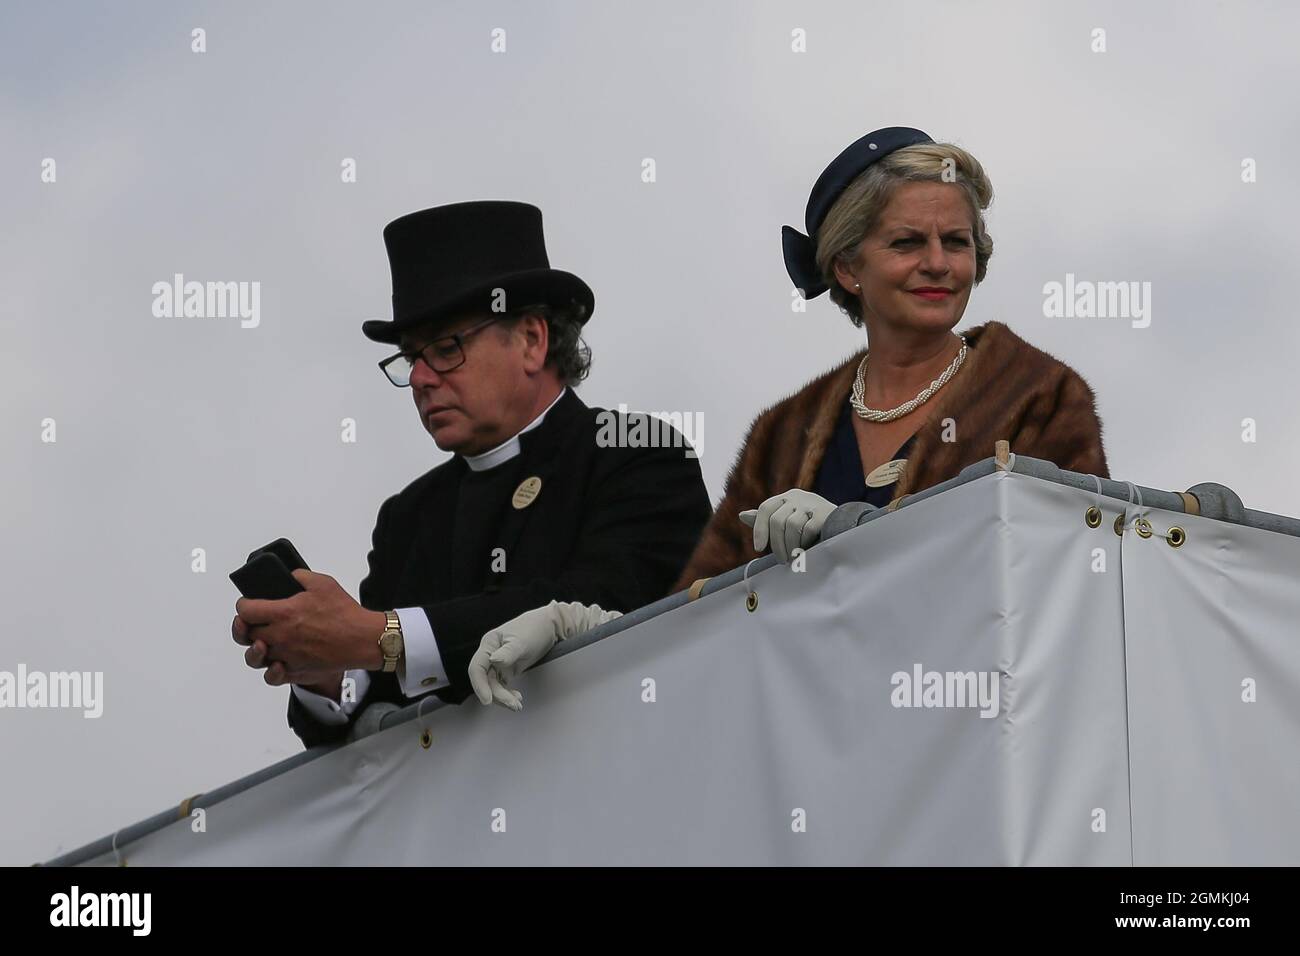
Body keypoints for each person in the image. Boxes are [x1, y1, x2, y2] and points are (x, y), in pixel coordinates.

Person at [230, 200, 712, 747]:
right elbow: (373, 717)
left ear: (531, 339)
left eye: (445, 348)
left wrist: (378, 636)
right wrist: (328, 670)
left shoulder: (634, 454)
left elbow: (606, 607)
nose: (418, 378)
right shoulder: (408, 518)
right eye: (409, 357)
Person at [665, 126, 1111, 588]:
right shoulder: (780, 434)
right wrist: (609, 641)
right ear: (847, 267)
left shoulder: (1041, 396)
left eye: (957, 242)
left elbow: (1074, 569)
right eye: (907, 242)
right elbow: (704, 613)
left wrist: (854, 529)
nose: (938, 263)